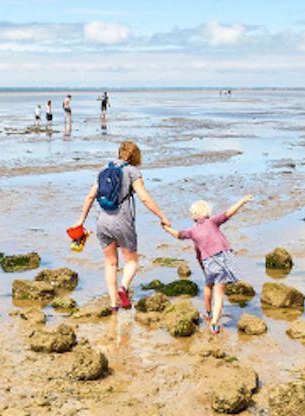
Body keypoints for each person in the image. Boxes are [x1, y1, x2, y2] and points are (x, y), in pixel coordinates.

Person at [73, 141, 168, 313]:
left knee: (110, 263)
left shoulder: (104, 169)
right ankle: (123, 288)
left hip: (102, 222)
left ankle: (113, 304)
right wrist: (162, 216)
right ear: (136, 156)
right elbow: (144, 198)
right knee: (131, 261)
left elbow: (90, 196)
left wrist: (81, 220)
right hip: (122, 222)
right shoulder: (132, 171)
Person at [161, 195, 252, 333]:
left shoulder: (192, 232)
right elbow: (229, 213)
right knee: (220, 292)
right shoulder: (213, 222)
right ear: (207, 213)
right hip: (222, 258)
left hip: (208, 261)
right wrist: (241, 201)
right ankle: (215, 323)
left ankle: (208, 313)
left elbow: (179, 235)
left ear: (193, 216)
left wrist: (167, 229)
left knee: (208, 285)